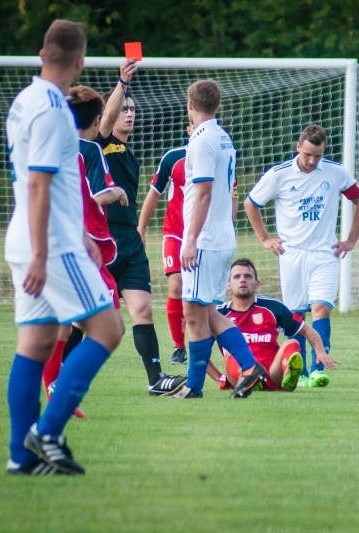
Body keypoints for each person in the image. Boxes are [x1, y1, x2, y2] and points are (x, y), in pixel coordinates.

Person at [4, 19, 124, 476]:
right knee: (109, 329)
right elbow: (40, 185)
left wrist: (82, 237)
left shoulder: (24, 100)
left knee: (34, 343)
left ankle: (21, 455)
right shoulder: (54, 109)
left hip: (33, 237)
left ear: (41, 54)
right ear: (80, 62)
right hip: (47, 243)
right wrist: (45, 251)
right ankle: (48, 431)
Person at [244, 124, 359, 388]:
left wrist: (352, 239)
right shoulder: (279, 175)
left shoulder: (335, 173)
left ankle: (317, 369)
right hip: (292, 255)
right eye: (308, 154)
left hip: (325, 253)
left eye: (318, 156)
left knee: (321, 308)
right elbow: (251, 203)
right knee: (295, 316)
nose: (312, 161)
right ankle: (296, 373)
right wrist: (265, 239)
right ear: (298, 147)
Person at [96, 60, 186, 396]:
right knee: (87, 319)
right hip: (103, 240)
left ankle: (156, 379)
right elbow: (105, 120)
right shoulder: (100, 144)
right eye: (124, 109)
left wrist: (139, 228)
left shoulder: (127, 151)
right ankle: (59, 372)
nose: (129, 114)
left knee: (143, 309)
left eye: (133, 109)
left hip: (129, 241)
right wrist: (122, 82)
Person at [41, 83, 130, 420]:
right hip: (87, 247)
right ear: (96, 120)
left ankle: (54, 388)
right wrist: (117, 189)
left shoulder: (57, 147)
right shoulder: (88, 149)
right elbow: (97, 194)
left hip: (62, 243)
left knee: (65, 326)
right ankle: (61, 387)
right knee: (113, 329)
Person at [171, 79, 264, 400]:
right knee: (206, 312)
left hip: (206, 240)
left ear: (190, 105)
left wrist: (190, 239)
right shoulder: (222, 137)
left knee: (195, 313)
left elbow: (205, 192)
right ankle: (242, 370)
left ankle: (210, 381)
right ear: (218, 105)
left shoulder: (202, 142)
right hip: (221, 235)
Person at [206, 259, 339, 392]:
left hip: (271, 371)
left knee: (293, 343)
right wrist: (219, 378)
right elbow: (200, 350)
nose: (242, 280)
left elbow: (307, 331)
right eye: (237, 277)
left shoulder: (273, 308)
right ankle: (250, 378)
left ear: (257, 283)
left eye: (248, 276)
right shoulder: (219, 314)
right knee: (230, 351)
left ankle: (288, 376)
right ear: (228, 284)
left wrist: (320, 352)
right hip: (239, 373)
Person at [137, 122, 194, 366]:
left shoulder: (219, 155)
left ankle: (204, 342)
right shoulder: (174, 158)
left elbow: (230, 195)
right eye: (194, 124)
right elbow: (154, 193)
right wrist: (141, 228)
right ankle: (179, 347)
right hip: (175, 234)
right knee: (176, 285)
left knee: (199, 294)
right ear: (189, 128)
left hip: (203, 236)